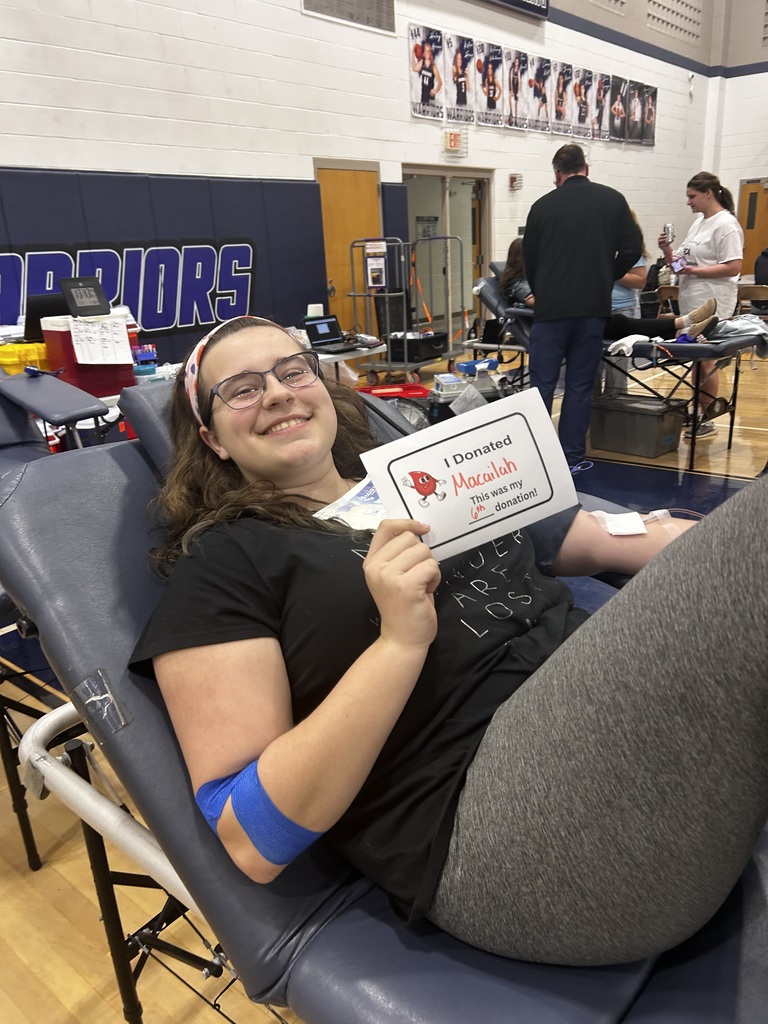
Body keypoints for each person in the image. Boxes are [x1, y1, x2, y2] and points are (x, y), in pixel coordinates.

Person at [131, 314, 768, 970]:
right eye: (240, 388)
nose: (277, 392)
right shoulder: (228, 558)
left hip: (606, 731)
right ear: (211, 437)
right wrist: (397, 645)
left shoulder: (420, 476)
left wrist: (710, 552)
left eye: (293, 371)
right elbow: (250, 839)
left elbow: (598, 538)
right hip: (506, 830)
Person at [522, 144, 642, 466]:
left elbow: (529, 261)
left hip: (550, 312)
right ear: (586, 168)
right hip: (591, 310)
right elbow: (632, 250)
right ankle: (572, 459)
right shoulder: (613, 200)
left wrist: (543, 291)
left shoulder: (541, 207)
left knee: (540, 389)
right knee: (579, 387)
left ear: (557, 174)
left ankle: (536, 461)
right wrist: (606, 277)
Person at [658, 171, 744, 439]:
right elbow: (679, 266)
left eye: (692, 196)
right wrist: (667, 251)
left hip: (714, 302)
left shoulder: (726, 225)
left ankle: (708, 417)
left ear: (709, 193)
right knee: (696, 360)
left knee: (706, 362)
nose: (688, 202)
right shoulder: (698, 225)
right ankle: (697, 410)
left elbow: (734, 267)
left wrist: (694, 271)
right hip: (692, 302)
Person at [499, 238, 716, 338]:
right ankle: (684, 326)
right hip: (563, 324)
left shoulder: (533, 277)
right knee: (623, 324)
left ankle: (685, 325)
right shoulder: (517, 282)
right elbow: (536, 302)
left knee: (623, 324)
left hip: (572, 319)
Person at [412, 41, 442, 105]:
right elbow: (414, 68)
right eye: (426, 51)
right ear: (424, 53)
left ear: (430, 52)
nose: (427, 53)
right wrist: (412, 54)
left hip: (430, 97)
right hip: (423, 96)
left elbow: (440, 82)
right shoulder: (422, 63)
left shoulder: (433, 66)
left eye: (429, 51)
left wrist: (436, 90)